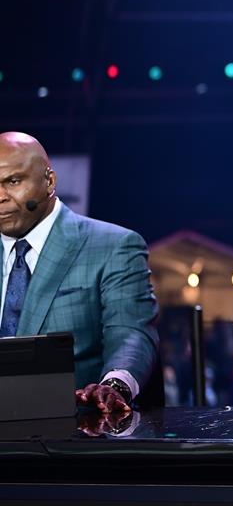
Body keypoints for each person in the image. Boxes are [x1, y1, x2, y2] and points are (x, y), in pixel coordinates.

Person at [0, 132, 158, 413]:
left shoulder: (113, 246)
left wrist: (115, 385)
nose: (0, 197)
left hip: (75, 436)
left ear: (49, 181)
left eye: (13, 181)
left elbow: (130, 332)